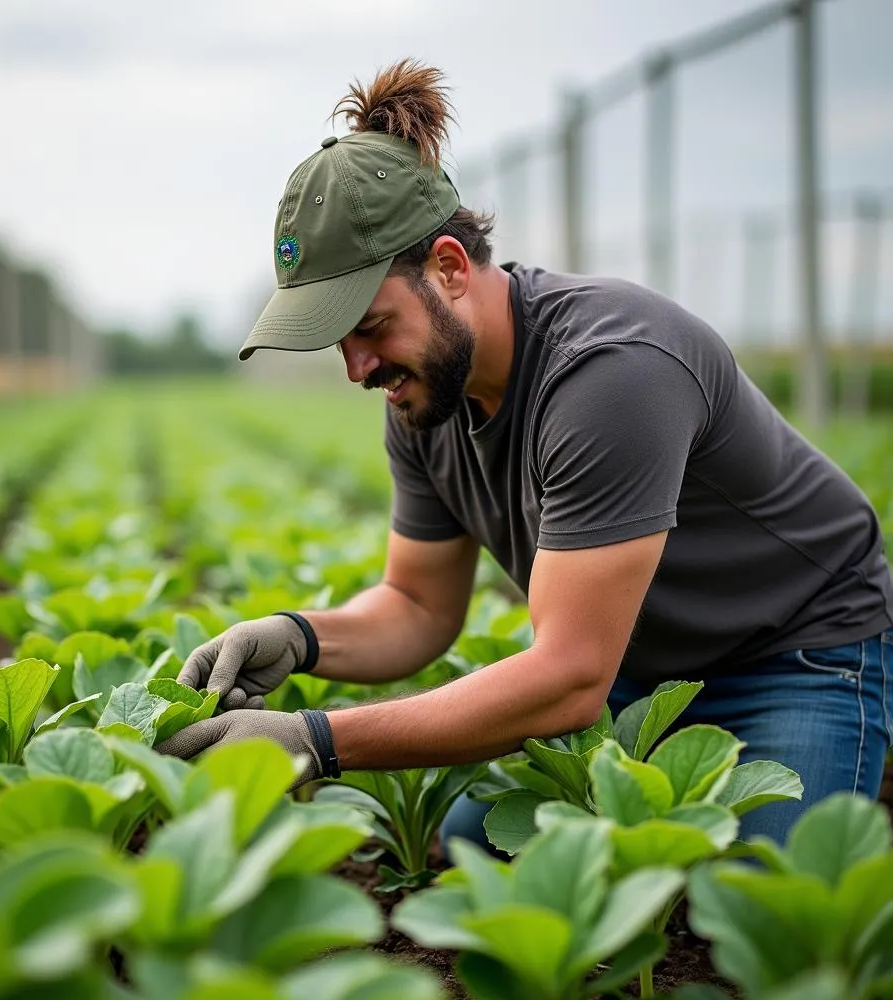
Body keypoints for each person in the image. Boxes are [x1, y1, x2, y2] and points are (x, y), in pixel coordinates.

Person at [160, 59, 893, 848]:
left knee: (767, 914)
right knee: (480, 838)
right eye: (338, 343)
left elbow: (571, 677)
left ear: (446, 268)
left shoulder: (612, 374)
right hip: (639, 676)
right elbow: (417, 607)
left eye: (369, 327)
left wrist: (317, 740)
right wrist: (298, 635)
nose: (357, 369)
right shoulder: (425, 397)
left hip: (798, 657)